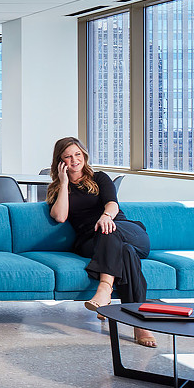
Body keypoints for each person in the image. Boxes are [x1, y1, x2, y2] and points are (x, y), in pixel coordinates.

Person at [46, 136, 155, 348]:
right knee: (126, 253)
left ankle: (105, 289)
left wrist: (106, 216)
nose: (74, 160)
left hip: (123, 228)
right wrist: (64, 182)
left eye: (77, 154)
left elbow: (112, 204)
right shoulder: (57, 189)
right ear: (60, 162)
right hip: (91, 241)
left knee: (110, 230)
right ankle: (139, 324)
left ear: (84, 155)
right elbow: (60, 216)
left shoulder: (100, 178)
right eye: (68, 157)